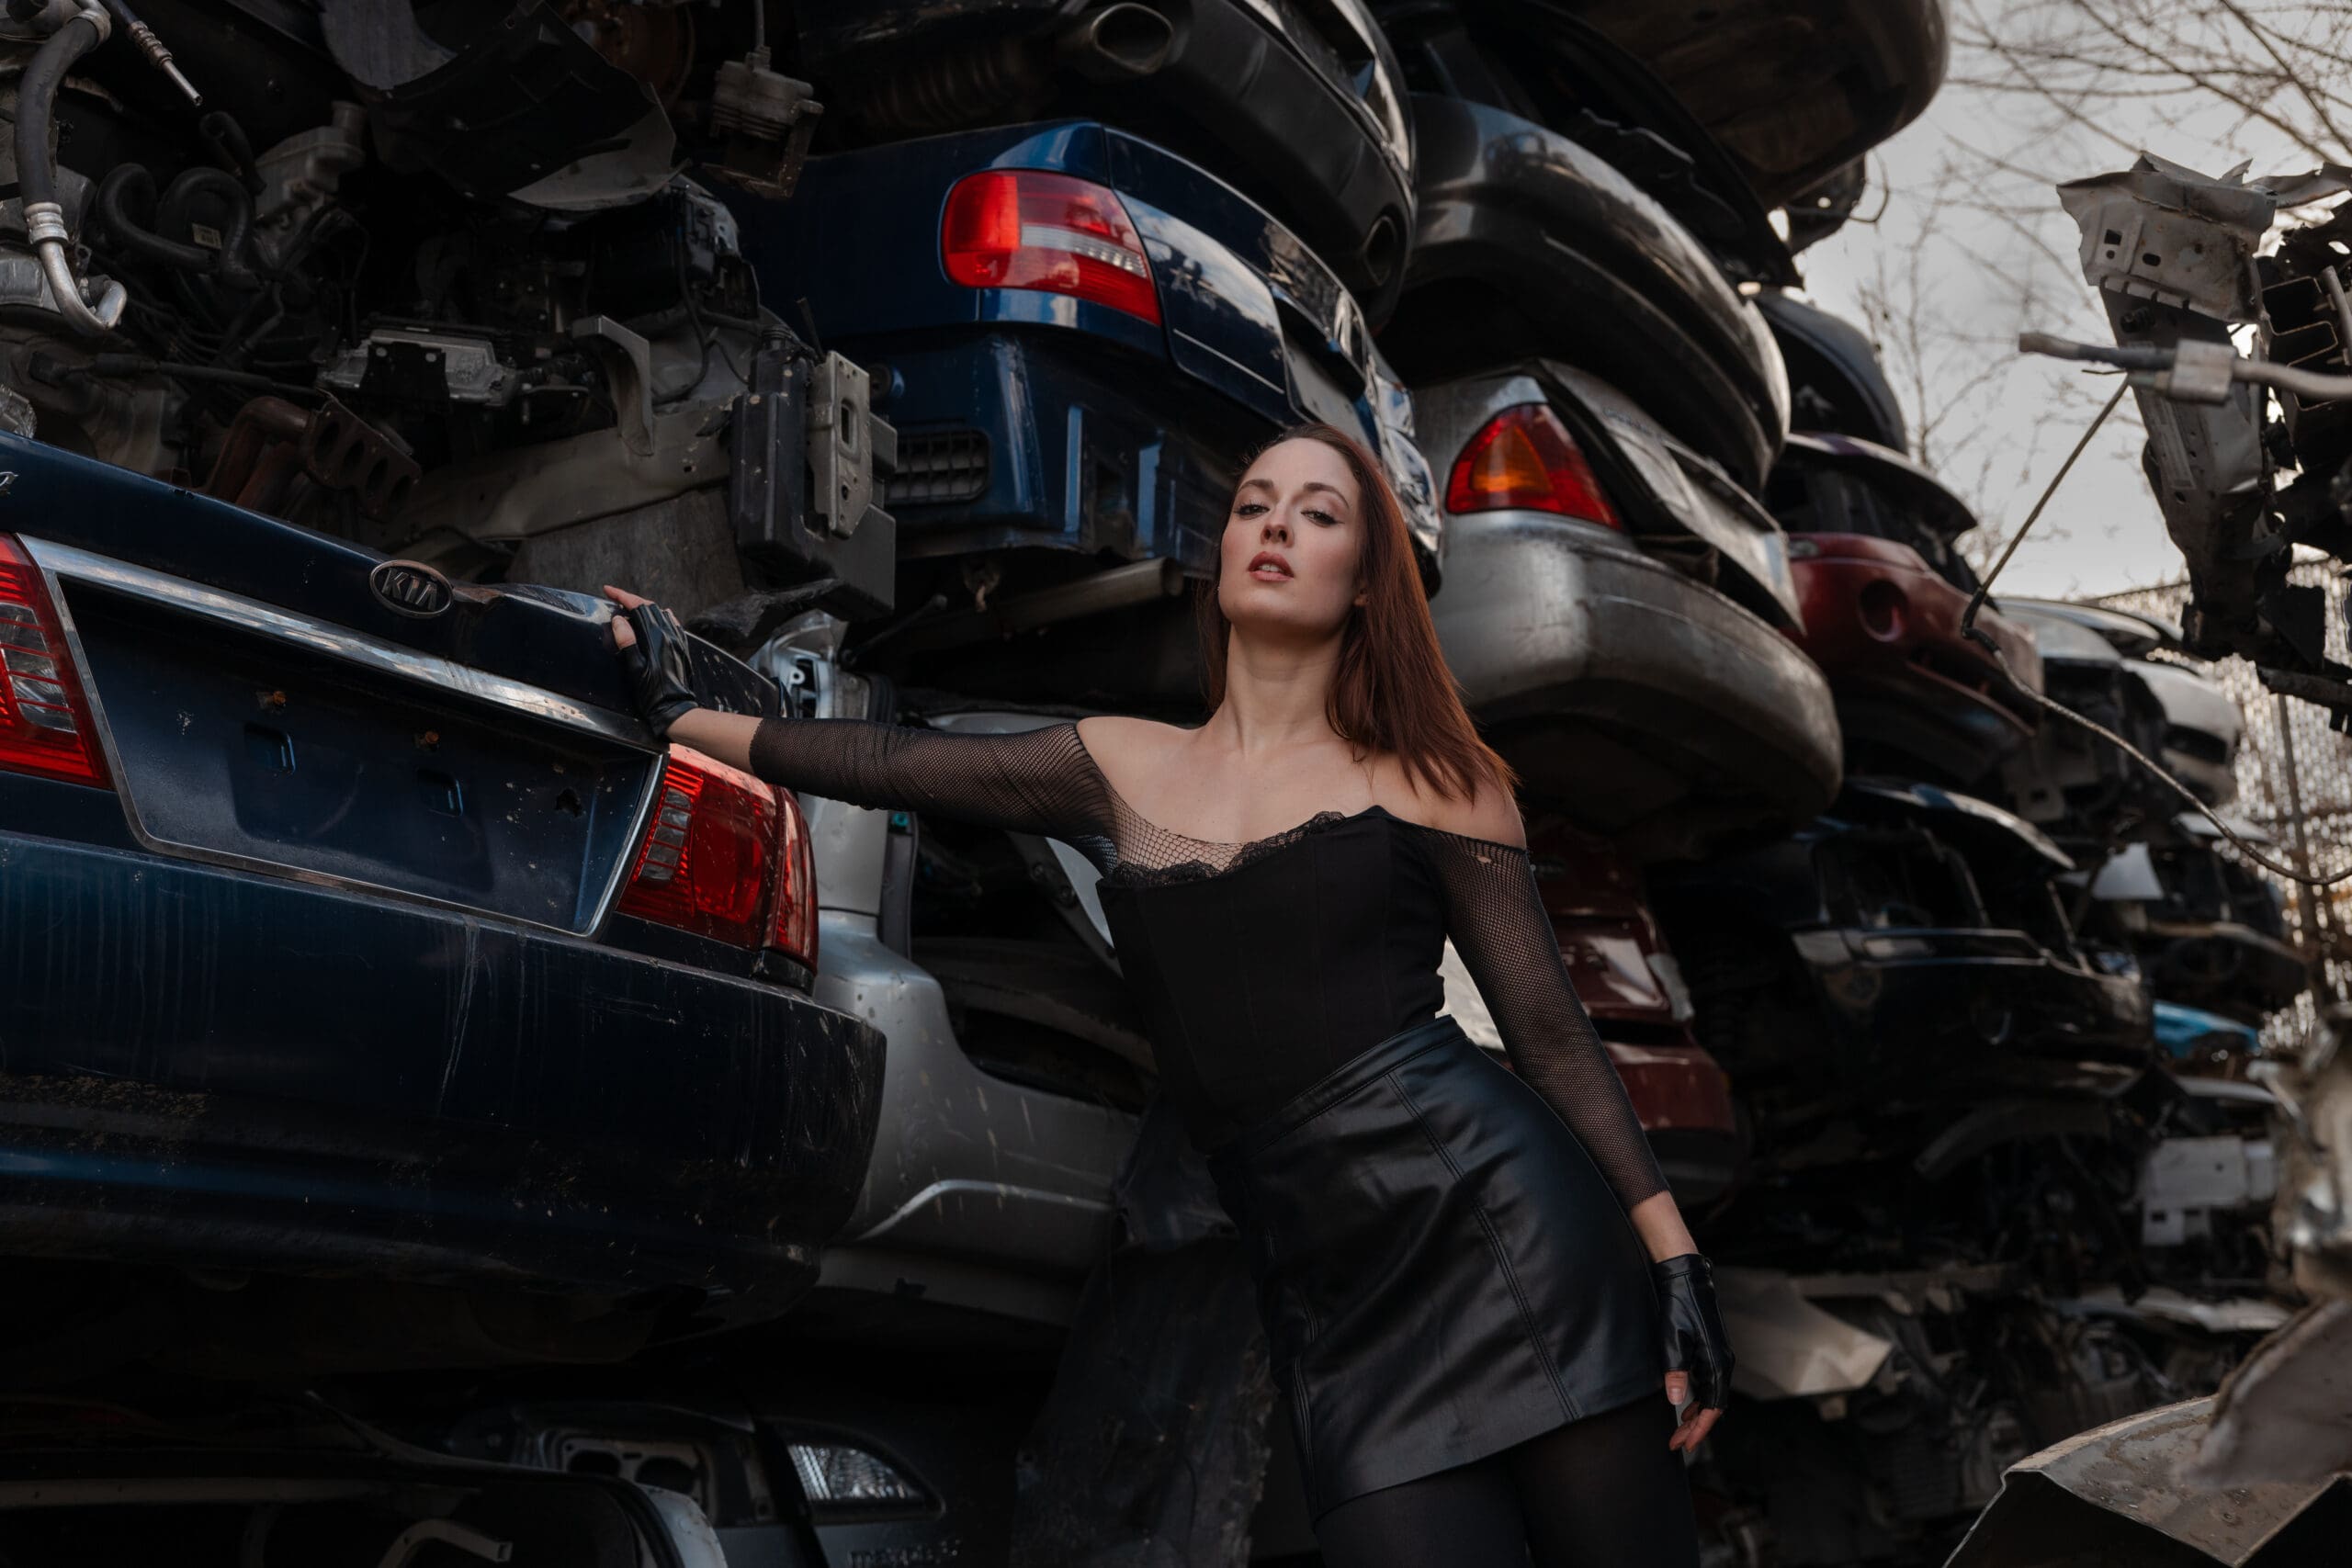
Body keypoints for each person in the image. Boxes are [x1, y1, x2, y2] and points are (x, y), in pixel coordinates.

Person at [604, 422, 1735, 1567]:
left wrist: (1673, 1258)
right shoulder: (1119, 767)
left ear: (1362, 585)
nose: (1277, 525)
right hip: (1331, 1304)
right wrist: (685, 710)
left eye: (1318, 511)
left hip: (1505, 1238)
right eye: (1254, 504)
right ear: (1222, 551)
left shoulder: (1435, 782)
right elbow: (892, 761)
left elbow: (1549, 1035)